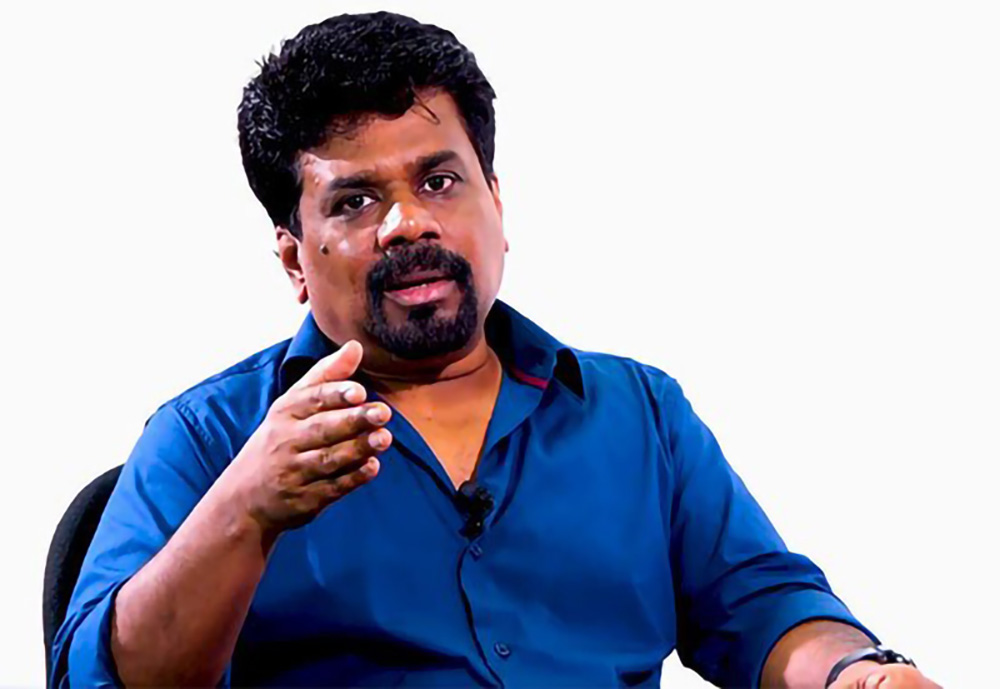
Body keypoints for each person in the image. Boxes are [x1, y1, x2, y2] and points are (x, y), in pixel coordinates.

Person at [51, 11, 941, 689]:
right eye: (356, 202)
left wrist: (853, 673)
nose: (409, 223)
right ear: (293, 258)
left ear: (496, 204)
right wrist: (244, 510)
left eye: (440, 180)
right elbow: (103, 677)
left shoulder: (639, 416)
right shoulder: (208, 439)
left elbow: (765, 607)